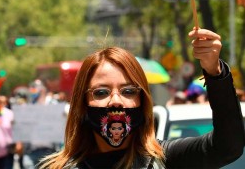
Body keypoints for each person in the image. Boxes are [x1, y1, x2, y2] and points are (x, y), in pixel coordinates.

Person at [39, 28, 244, 168]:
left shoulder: (165, 160)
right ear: (82, 104)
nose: (115, 101)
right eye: (101, 92)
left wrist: (215, 73)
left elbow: (228, 147)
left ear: (142, 101)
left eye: (128, 91)